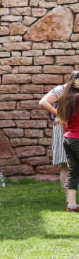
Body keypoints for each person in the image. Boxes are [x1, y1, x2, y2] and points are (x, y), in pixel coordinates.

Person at [39, 72, 79, 205]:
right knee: (66, 165)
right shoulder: (61, 89)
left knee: (69, 166)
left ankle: (71, 201)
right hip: (65, 128)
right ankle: (69, 200)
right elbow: (43, 102)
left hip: (70, 129)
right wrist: (61, 115)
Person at [55, 78, 79, 212]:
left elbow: (62, 121)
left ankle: (72, 205)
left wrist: (67, 134)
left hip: (68, 138)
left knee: (73, 172)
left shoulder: (65, 99)